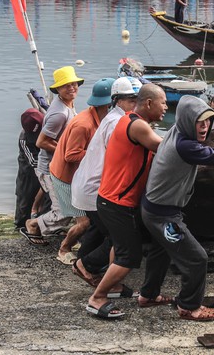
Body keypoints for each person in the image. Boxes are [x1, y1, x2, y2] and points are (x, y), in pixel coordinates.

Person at [140, 96, 214, 321]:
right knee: (197, 258)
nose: (204, 128)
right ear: (187, 121)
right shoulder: (185, 146)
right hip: (163, 216)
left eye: (208, 121)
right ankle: (188, 306)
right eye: (199, 122)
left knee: (160, 252)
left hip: (152, 208)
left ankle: (148, 295)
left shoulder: (178, 130)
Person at [86, 84, 168, 320]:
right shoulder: (137, 125)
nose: (166, 107)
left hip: (111, 199)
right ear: (149, 103)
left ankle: (113, 288)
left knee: (120, 247)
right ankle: (97, 298)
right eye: (163, 102)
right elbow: (163, 148)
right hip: (117, 202)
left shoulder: (128, 119)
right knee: (129, 256)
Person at [71, 77, 141, 288]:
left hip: (90, 185)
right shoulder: (117, 122)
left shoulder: (117, 118)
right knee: (119, 237)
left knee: (100, 229)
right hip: (95, 188)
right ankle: (86, 265)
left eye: (137, 99)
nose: (135, 104)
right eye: (131, 100)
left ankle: (87, 264)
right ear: (118, 101)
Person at [46, 78, 115, 265]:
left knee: (93, 220)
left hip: (80, 176)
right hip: (65, 176)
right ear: (109, 104)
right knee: (84, 222)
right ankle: (64, 248)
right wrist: (100, 154)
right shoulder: (83, 124)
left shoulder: (102, 120)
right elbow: (71, 155)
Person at [20, 66, 83, 244]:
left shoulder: (68, 104)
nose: (72, 88)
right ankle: (34, 224)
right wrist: (67, 152)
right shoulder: (59, 113)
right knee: (64, 212)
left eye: (74, 84)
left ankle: (41, 222)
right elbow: (41, 142)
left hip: (59, 167)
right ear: (58, 89)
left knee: (70, 208)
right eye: (66, 86)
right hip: (50, 168)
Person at [14, 108, 44, 230]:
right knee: (24, 196)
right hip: (28, 168)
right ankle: (21, 224)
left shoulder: (48, 125)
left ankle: (42, 222)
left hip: (45, 165)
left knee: (48, 196)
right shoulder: (24, 138)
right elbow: (32, 160)